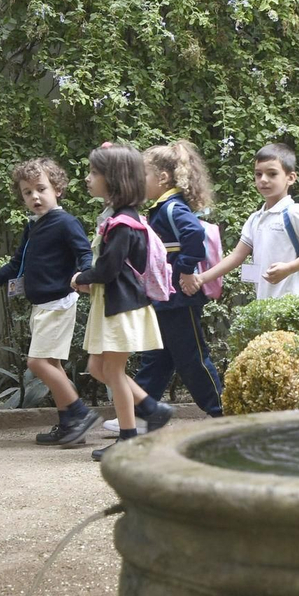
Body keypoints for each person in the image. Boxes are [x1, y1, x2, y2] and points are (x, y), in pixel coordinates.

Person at [0, 158, 100, 447]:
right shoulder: (33, 226)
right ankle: (70, 425)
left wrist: (88, 276)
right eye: (27, 192)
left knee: (37, 363)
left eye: (41, 188)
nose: (35, 196)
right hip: (43, 304)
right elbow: (15, 265)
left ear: (57, 189)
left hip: (58, 302)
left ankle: (80, 413)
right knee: (53, 365)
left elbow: (84, 253)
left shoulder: (65, 222)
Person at [71, 145, 166, 461]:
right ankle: (151, 409)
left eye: (94, 173)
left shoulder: (124, 223)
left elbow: (109, 269)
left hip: (121, 308)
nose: (88, 178)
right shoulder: (119, 218)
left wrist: (81, 277)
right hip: (114, 305)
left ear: (114, 179)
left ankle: (128, 437)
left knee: (111, 369)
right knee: (97, 367)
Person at [123, 141, 223, 422]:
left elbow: (194, 235)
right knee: (156, 357)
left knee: (191, 358)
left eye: (143, 175)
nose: (138, 182)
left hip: (180, 298)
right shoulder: (160, 208)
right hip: (166, 297)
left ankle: (223, 412)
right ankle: (140, 413)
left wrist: (185, 271)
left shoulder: (171, 207)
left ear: (162, 178)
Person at [182, 143, 299, 301]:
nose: (263, 180)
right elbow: (237, 256)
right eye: (258, 174)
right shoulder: (255, 219)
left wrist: (288, 268)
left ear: (290, 178)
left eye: (272, 174)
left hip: (292, 300)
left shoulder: (293, 212)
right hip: (264, 302)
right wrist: (201, 278)